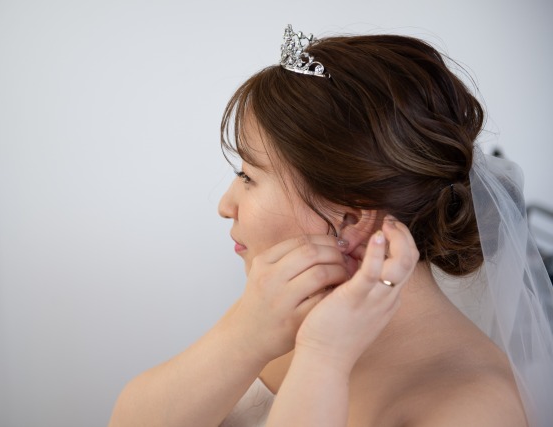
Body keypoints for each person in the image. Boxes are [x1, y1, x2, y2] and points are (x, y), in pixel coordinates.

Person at [108, 25, 553, 427]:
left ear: (352, 218)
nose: (226, 206)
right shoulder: (274, 313)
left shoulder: (475, 407)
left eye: (248, 176)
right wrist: (242, 336)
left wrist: (323, 357)